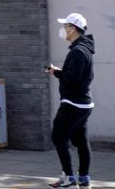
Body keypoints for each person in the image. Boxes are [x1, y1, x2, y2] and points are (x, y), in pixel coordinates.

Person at [45, 12, 95, 188]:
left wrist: (59, 73)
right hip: (82, 103)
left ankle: (69, 176)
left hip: (73, 103)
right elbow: (76, 75)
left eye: (65, 26)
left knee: (58, 137)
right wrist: (58, 72)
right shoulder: (84, 49)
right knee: (81, 140)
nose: (63, 30)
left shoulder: (78, 51)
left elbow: (72, 78)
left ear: (73, 29)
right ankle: (84, 177)